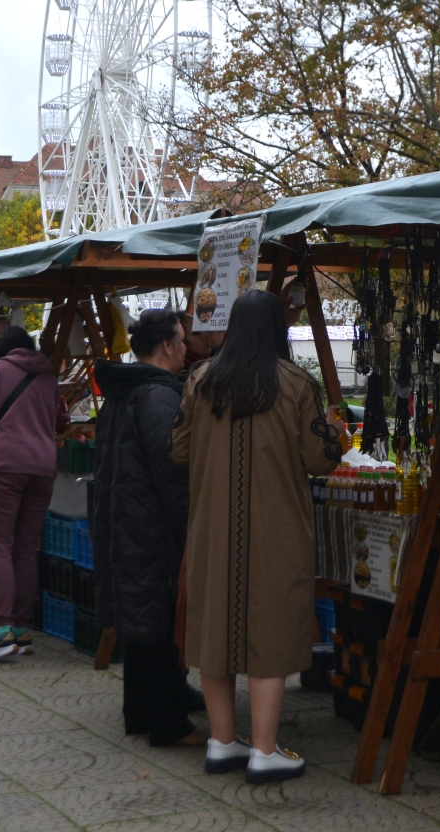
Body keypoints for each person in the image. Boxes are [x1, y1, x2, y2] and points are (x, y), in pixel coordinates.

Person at [171, 289, 344, 783]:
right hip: (279, 526)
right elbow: (319, 458)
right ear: (276, 329)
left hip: (211, 527)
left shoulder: (200, 381)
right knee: (271, 628)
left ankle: (223, 742)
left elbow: (177, 449)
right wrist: (332, 431)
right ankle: (265, 750)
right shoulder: (296, 383)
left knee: (215, 628)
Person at [91, 309, 200, 746]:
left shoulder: (126, 389)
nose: (187, 347)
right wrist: (190, 526)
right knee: (157, 620)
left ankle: (138, 711)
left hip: (126, 518)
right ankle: (168, 724)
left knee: (139, 621)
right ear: (169, 346)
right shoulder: (157, 397)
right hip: (150, 523)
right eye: (182, 339)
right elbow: (171, 471)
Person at [0, 325, 65, 662]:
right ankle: (22, 631)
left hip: (5, 464)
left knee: (0, 547)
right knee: (25, 548)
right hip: (43, 466)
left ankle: (2, 631)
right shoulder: (49, 376)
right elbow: (59, 422)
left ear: (2, 352)